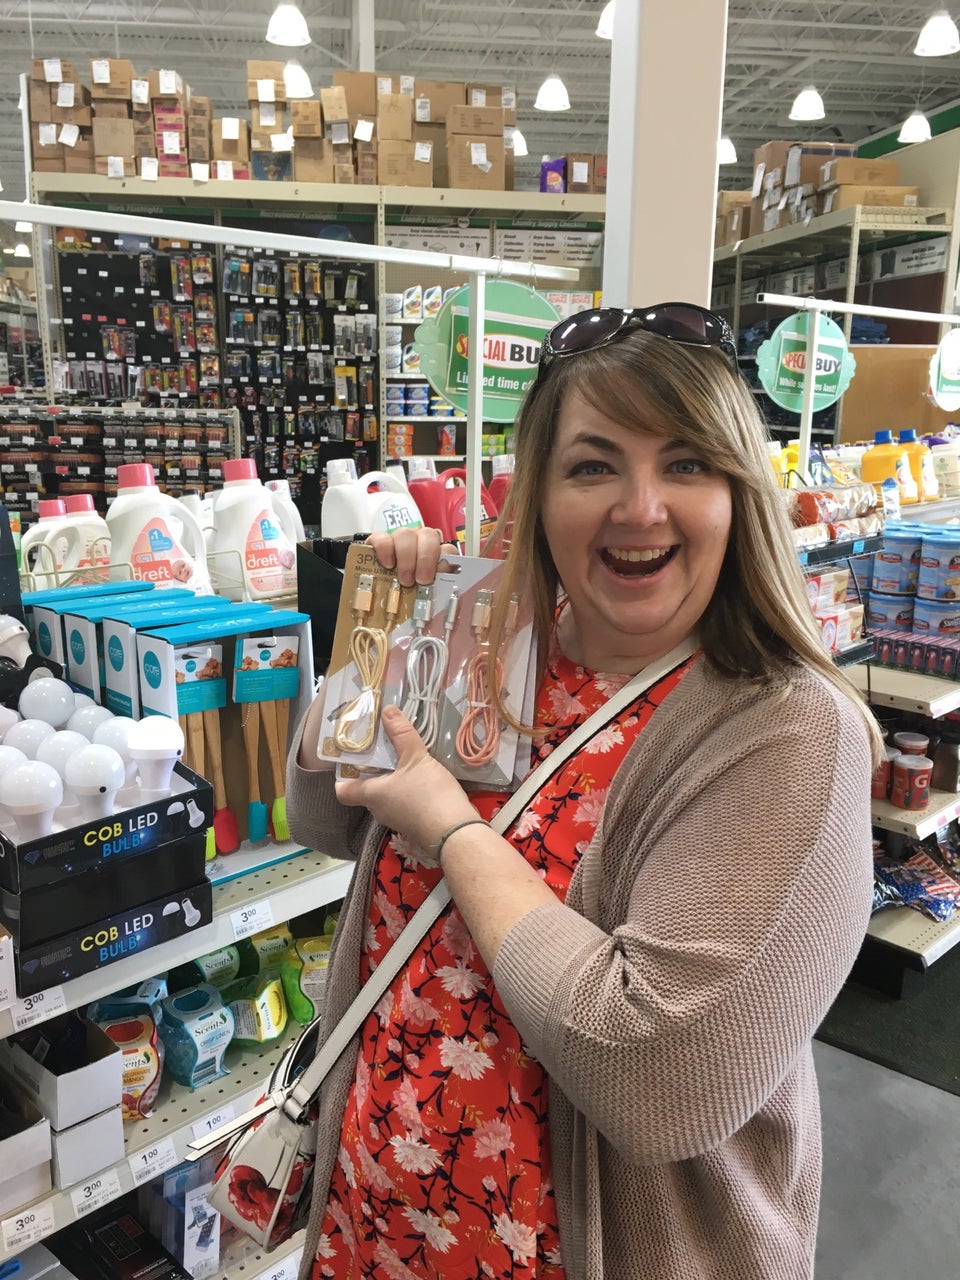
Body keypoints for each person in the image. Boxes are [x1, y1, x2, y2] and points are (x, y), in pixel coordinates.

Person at [287, 303, 881, 1280]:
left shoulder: (782, 730)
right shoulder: (496, 636)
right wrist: (380, 637)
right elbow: (323, 817)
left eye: (686, 463)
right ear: (538, 492)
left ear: (738, 490)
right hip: (375, 1224)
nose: (640, 507)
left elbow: (657, 1077)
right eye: (593, 466)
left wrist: (454, 832)